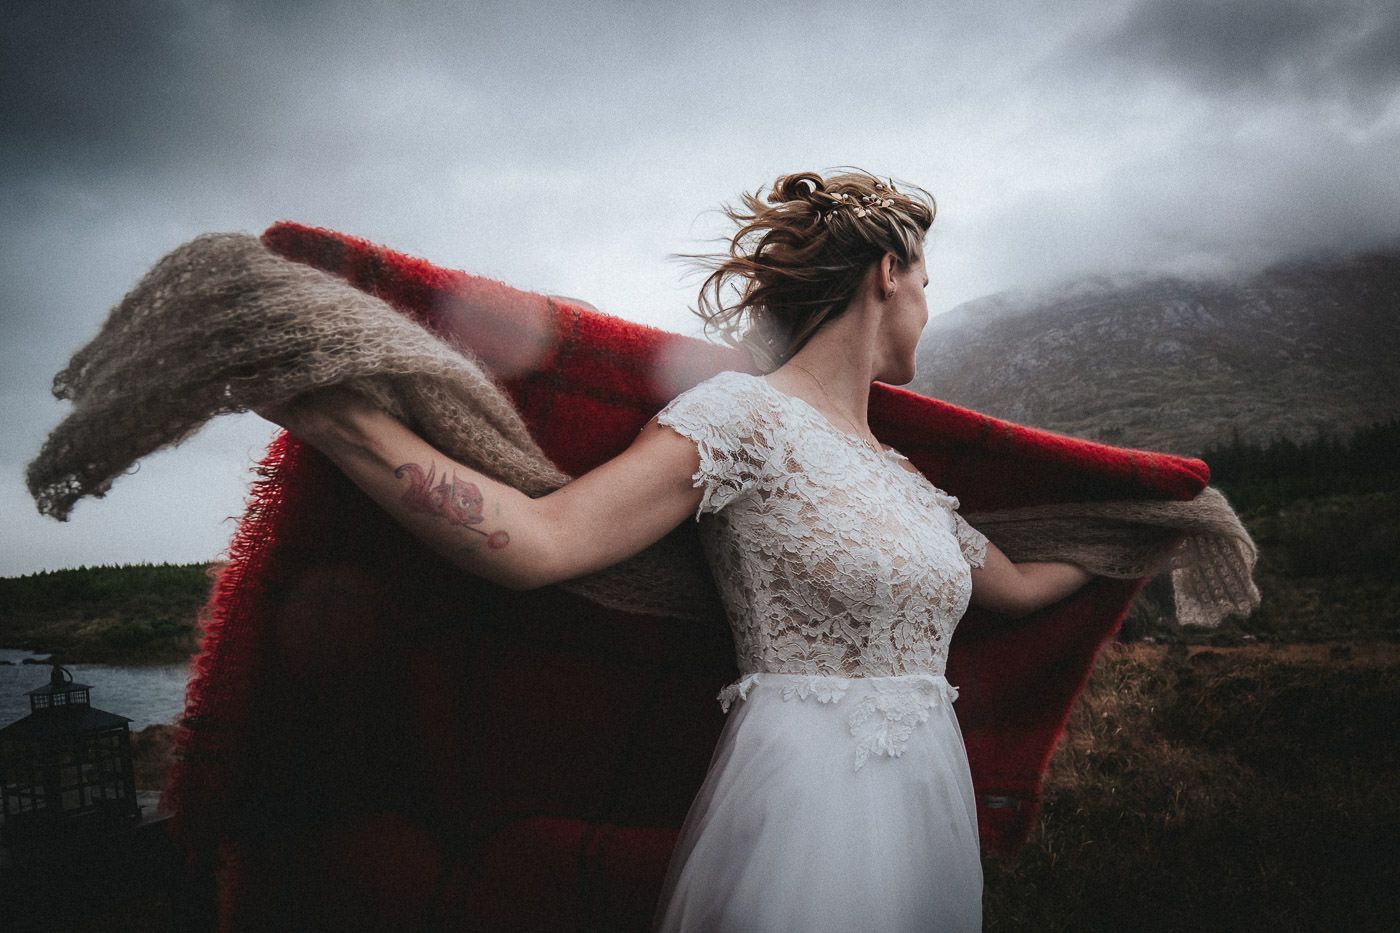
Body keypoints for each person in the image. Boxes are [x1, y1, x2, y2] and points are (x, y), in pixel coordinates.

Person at [257, 169, 1095, 932]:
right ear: (887, 272)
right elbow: (541, 542)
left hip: (927, 803)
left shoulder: (906, 476)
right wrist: (335, 417)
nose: (926, 307)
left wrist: (1147, 531)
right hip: (807, 807)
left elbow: (1016, 587)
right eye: (926, 284)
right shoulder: (742, 418)